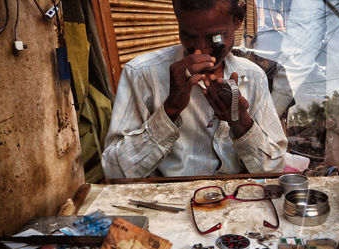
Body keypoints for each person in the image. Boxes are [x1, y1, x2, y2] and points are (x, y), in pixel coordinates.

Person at [101, 0, 287, 178]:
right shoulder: (142, 74)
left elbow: (273, 169)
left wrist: (241, 122)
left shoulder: (254, 77)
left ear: (238, 17)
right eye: (189, 36)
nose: (200, 50)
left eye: (215, 37)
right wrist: (170, 110)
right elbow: (113, 171)